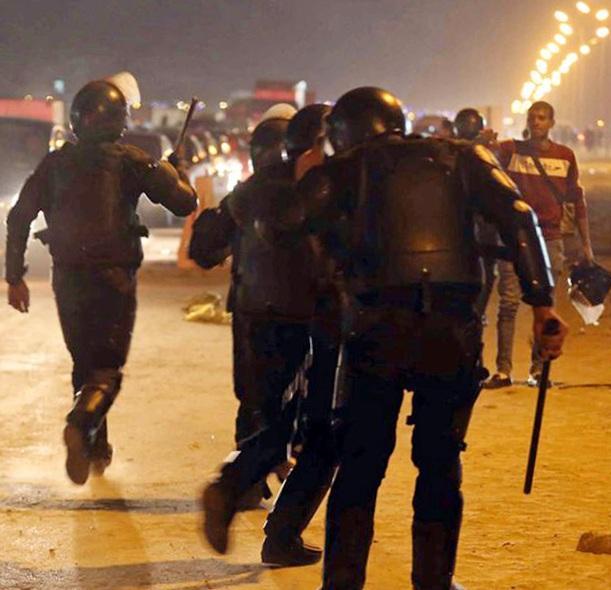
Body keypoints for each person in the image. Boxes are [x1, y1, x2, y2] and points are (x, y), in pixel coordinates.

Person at [294, 87, 567, 590]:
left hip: (375, 330)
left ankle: (342, 582)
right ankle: (434, 581)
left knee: (360, 462)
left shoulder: (346, 170)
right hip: (452, 330)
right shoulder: (464, 157)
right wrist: (543, 304)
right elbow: (520, 217)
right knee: (440, 463)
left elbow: (293, 223)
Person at [4, 74, 198, 485]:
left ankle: (95, 448)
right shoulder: (132, 160)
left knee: (84, 363)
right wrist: (174, 172)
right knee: (107, 370)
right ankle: (81, 422)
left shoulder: (55, 163)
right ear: (119, 119)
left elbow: (18, 216)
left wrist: (14, 276)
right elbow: (185, 203)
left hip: (67, 278)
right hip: (114, 278)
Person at [191, 104, 326, 562]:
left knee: (267, 412)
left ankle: (239, 483)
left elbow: (204, 246)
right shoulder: (321, 188)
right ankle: (255, 502)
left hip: (252, 310)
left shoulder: (250, 189)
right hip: (308, 316)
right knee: (317, 425)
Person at [261, 103, 342, 567]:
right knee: (331, 437)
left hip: (308, 327)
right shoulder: (310, 193)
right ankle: (283, 531)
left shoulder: (276, 189)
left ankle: (283, 529)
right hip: (322, 329)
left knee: (323, 435)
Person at [484, 100, 593, 389]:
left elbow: (576, 201)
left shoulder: (565, 156)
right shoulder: (511, 150)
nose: (536, 122)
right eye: (533, 117)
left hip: (550, 239)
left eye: (542, 118)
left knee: (546, 306)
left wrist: (586, 246)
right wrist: (482, 142)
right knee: (508, 303)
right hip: (514, 237)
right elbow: (481, 158)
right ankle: (503, 370)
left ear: (551, 123)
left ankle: (538, 371)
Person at [453, 108, 499, 325]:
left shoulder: (451, 152)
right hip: (472, 228)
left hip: (474, 228)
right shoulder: (472, 154)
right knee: (485, 276)